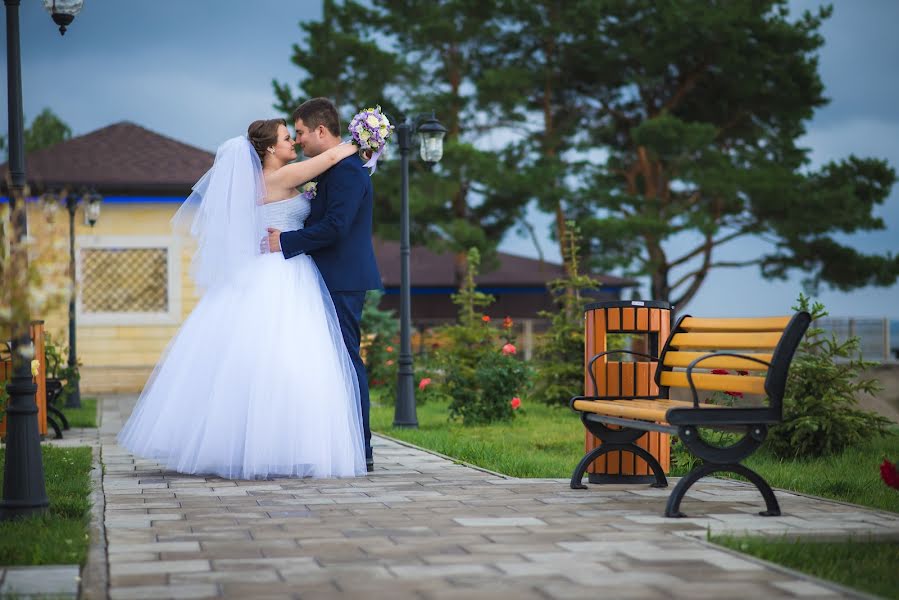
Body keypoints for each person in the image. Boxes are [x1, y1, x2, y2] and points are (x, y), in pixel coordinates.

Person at [117, 118, 366, 480]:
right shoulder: (280, 177)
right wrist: (364, 139)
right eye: (286, 138)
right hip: (284, 273)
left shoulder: (259, 183)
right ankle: (285, 445)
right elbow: (328, 161)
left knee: (258, 360)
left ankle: (253, 443)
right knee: (288, 359)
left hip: (268, 269)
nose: (293, 143)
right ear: (268, 149)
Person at [266, 98, 382, 473]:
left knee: (347, 361)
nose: (298, 141)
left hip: (342, 279)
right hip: (327, 277)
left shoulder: (347, 172)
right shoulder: (332, 170)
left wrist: (285, 242)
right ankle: (339, 442)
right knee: (332, 362)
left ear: (320, 130)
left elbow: (336, 227)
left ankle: (360, 446)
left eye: (300, 133)